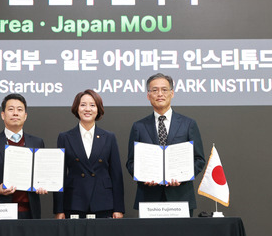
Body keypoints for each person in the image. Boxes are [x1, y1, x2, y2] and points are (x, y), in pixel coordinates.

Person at [126, 73, 205, 216]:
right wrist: (144, 177)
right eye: (154, 90)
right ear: (148, 95)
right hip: (149, 198)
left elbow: (199, 159)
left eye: (164, 89)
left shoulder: (188, 124)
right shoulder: (139, 126)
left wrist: (183, 175)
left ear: (172, 93)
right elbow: (131, 162)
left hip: (181, 197)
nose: (159, 94)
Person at [0, 93, 47, 219]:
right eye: (11, 109)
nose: (15, 113)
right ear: (3, 115)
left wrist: (44, 184)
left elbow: (42, 175)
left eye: (20, 110)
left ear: (25, 116)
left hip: (30, 213)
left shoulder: (37, 142)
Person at [54, 90, 124, 219]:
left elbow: (116, 174)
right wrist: (59, 209)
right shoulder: (65, 137)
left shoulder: (109, 137)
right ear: (77, 108)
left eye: (92, 105)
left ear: (98, 109)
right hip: (74, 201)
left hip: (103, 202)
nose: (87, 109)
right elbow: (59, 175)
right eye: (83, 105)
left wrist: (119, 208)